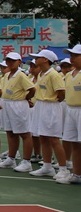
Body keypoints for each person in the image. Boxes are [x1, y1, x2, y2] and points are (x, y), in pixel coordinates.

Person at [30, 49, 67, 178]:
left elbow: (61, 93)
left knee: (53, 139)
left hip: (51, 106)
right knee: (43, 137)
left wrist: (54, 102)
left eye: (38, 57)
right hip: (41, 105)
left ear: (46, 60)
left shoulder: (53, 75)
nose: (35, 60)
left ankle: (63, 169)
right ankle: (47, 167)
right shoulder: (41, 74)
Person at [56, 44, 81, 184]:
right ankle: (77, 175)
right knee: (75, 143)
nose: (72, 58)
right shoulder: (69, 75)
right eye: (71, 55)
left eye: (76, 55)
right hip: (71, 109)